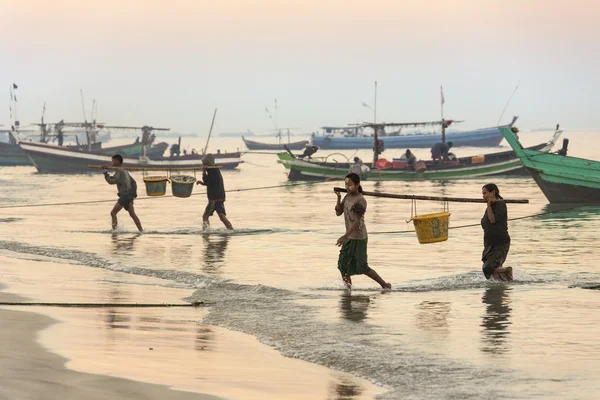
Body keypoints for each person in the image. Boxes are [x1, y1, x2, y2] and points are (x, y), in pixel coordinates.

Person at [334, 173, 392, 290]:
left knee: (362, 266)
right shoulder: (347, 197)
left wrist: (344, 237)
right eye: (346, 184)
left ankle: (384, 285)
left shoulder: (360, 201)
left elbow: (356, 223)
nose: (347, 187)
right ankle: (347, 289)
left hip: (359, 238)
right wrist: (339, 197)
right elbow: (338, 212)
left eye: (350, 185)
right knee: (343, 265)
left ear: (357, 184)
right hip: (350, 237)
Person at [103, 155, 143, 232]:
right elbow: (134, 183)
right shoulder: (124, 171)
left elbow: (112, 181)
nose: (112, 163)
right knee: (132, 215)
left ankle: (114, 231)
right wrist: (133, 196)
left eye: (113, 161)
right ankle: (141, 231)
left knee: (113, 212)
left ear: (117, 161)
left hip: (125, 196)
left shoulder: (120, 172)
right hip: (129, 196)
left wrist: (105, 173)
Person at [481, 183, 512, 281]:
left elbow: (492, 220)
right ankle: (505, 286)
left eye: (485, 193)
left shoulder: (500, 204)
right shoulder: (491, 205)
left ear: (493, 192)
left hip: (500, 243)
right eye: (482, 194)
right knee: (487, 269)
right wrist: (489, 205)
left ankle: (507, 271)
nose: (483, 196)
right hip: (490, 244)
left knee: (488, 268)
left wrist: (489, 206)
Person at [196, 154, 233, 231]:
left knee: (205, 216)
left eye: (204, 164)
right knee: (221, 215)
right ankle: (230, 229)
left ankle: (206, 232)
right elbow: (211, 182)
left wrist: (203, 173)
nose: (203, 165)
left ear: (207, 163)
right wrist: (202, 183)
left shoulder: (212, 170)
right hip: (220, 196)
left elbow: (208, 182)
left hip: (214, 198)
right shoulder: (215, 170)